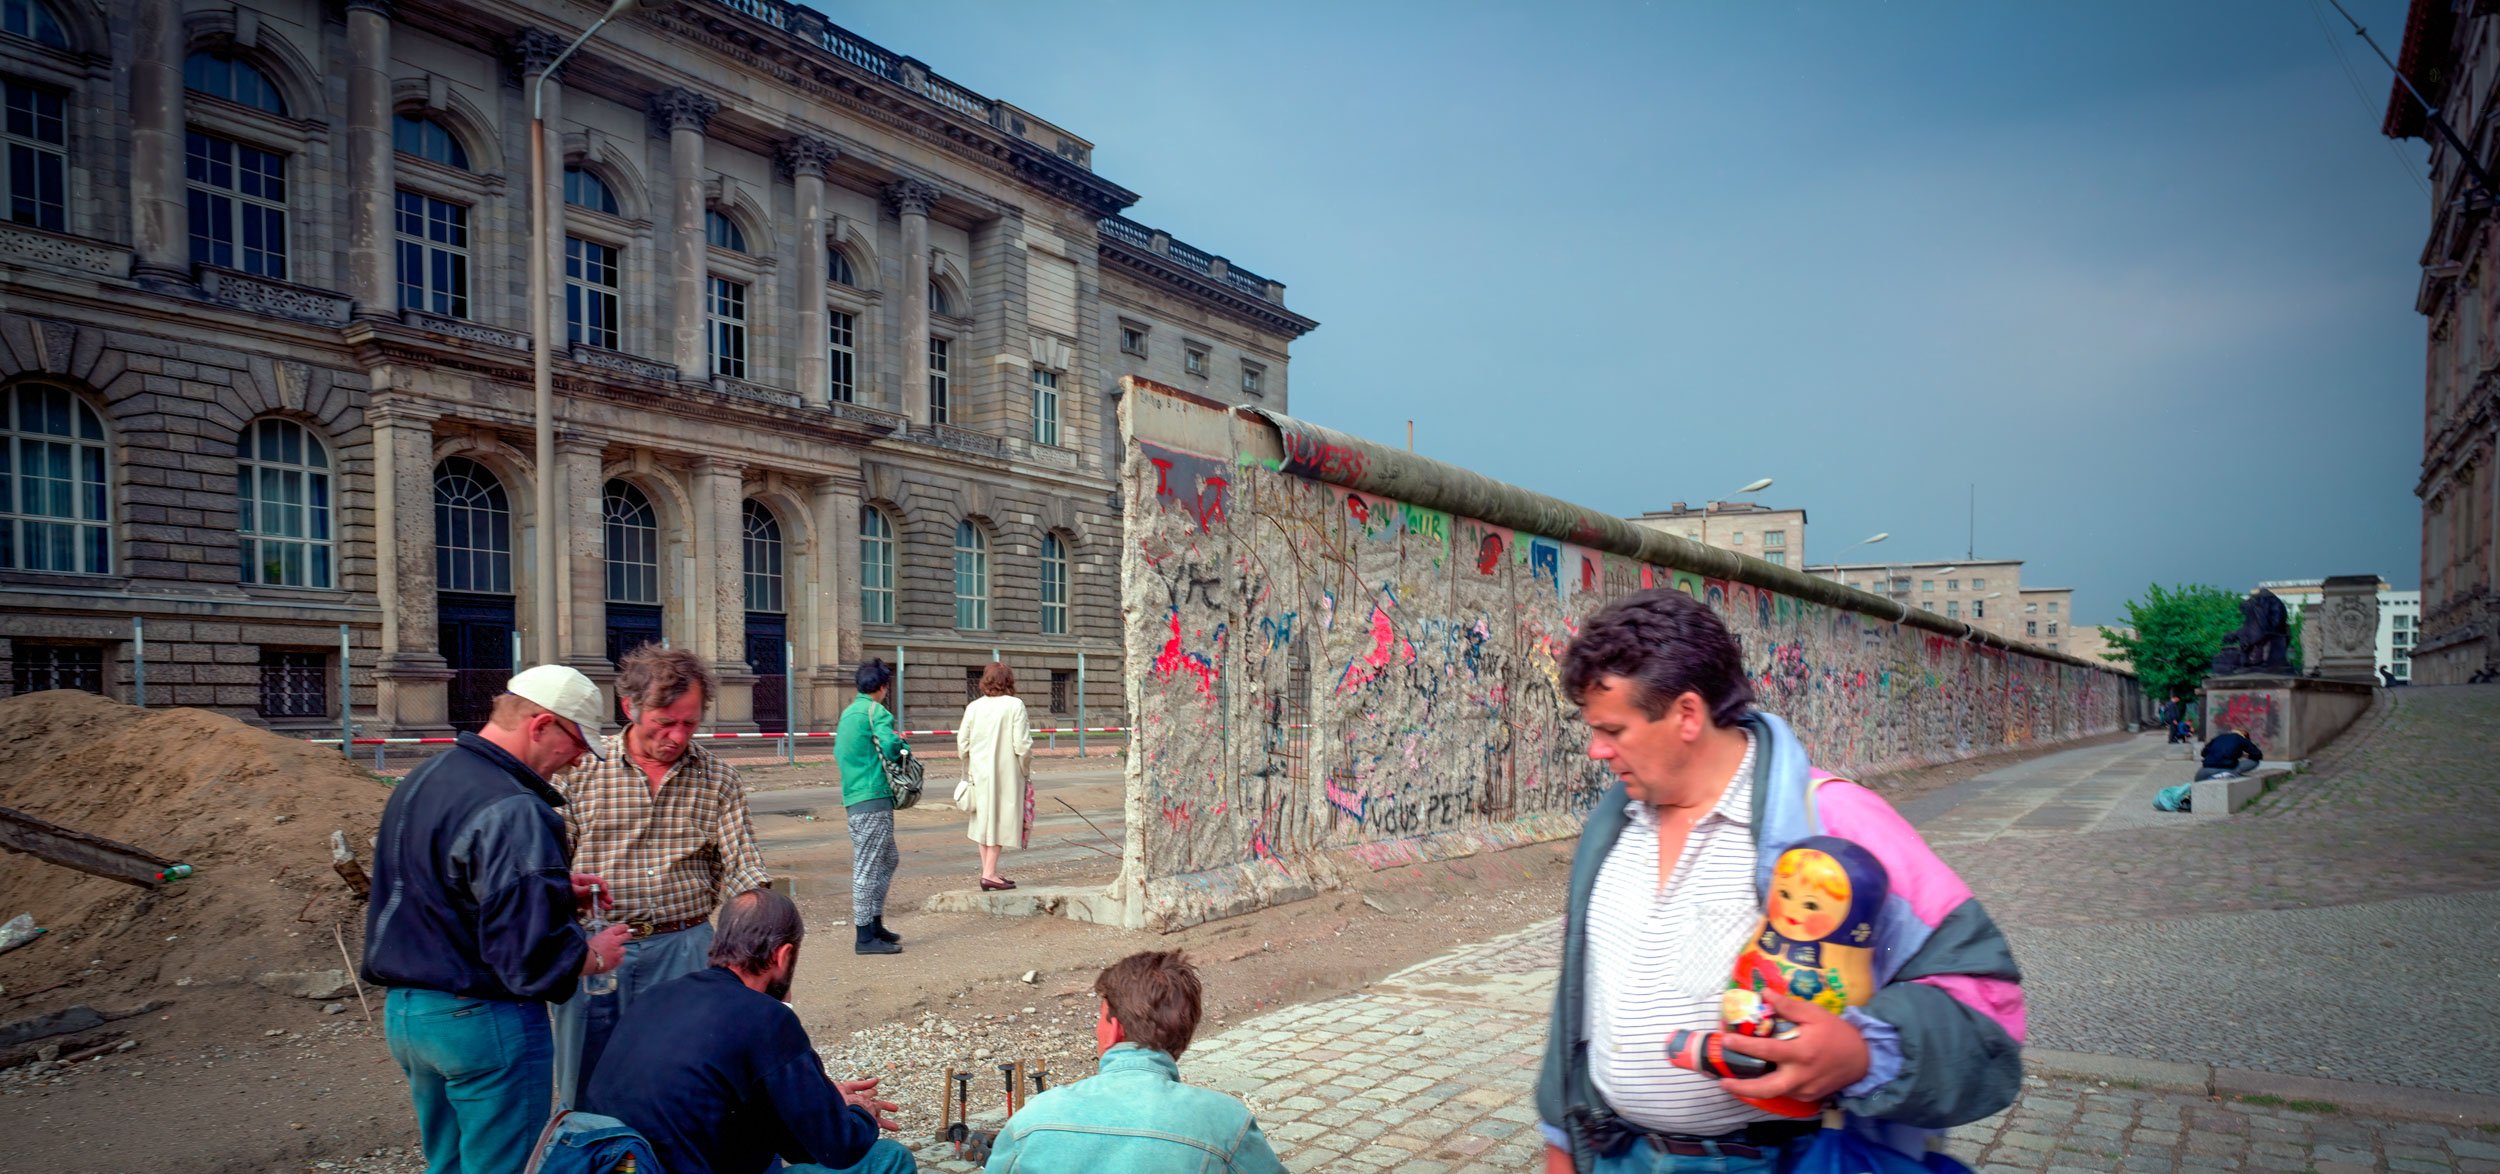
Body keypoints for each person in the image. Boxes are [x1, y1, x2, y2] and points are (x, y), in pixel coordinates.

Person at [1536, 589, 2025, 1173]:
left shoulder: (1833, 823)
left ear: (1687, 715)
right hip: (1616, 1156)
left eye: (1613, 729)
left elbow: (1985, 1009)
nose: (1596, 750)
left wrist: (1863, 1052)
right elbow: (1579, 1004)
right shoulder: (1613, 823)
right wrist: (1560, 1141)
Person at [361, 664, 632, 1174]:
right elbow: (528, 959)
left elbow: (440, 890)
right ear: (541, 724)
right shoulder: (516, 808)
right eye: (576, 744)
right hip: (483, 1021)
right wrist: (592, 957)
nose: (576, 762)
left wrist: (552, 890)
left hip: (410, 1017)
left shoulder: (425, 778)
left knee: (447, 1162)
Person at [551, 645, 772, 1108]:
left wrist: (758, 927)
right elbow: (549, 868)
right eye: (664, 722)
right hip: (595, 952)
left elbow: (743, 867)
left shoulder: (718, 779)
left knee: (684, 1084)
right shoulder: (580, 773)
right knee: (587, 1087)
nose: (676, 736)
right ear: (630, 707)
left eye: (689, 724)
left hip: (685, 948)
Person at [583, 888, 917, 1174]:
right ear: (783, 956)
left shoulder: (656, 997)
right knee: (889, 1159)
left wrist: (822, 1099)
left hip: (621, 1161)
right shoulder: (767, 1017)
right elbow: (835, 1147)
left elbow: (722, 1104)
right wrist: (861, 1114)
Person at [983, 951, 1283, 1173]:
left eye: (1099, 1018)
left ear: (1114, 1029)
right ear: (1185, 1034)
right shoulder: (1227, 1123)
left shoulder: (1033, 1120)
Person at [836, 658, 908, 955]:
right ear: (882, 687)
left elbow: (842, 751)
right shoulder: (876, 711)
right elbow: (891, 748)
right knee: (866, 867)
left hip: (855, 795)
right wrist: (903, 747)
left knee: (888, 858)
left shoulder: (849, 712)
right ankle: (864, 937)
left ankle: (875, 924)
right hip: (872, 797)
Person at [957, 661, 1036, 891]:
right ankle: (989, 874)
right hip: (1006, 773)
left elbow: (962, 743)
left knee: (984, 822)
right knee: (1001, 821)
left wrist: (969, 765)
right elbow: (1022, 744)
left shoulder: (973, 707)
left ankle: (988, 872)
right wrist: (1024, 769)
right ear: (1008, 682)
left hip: (979, 773)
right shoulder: (1015, 705)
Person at [2196, 726, 2263, 780]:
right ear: (2245, 736)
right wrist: (2244, 756)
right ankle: (2230, 773)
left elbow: (2203, 753)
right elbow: (2258, 755)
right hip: (2226, 768)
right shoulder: (2241, 739)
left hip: (2204, 771)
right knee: (2256, 761)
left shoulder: (2219, 737)